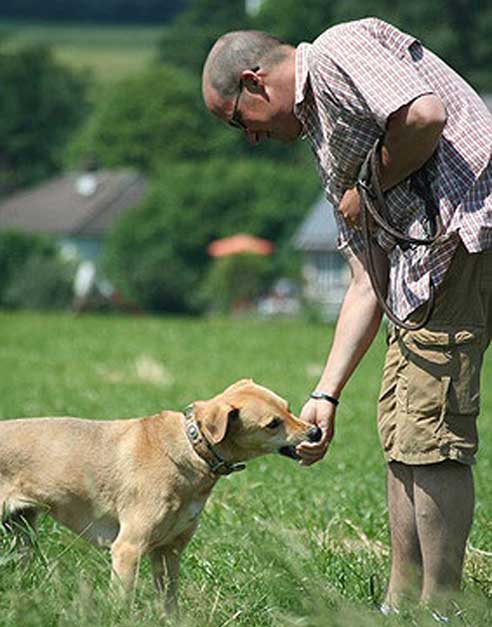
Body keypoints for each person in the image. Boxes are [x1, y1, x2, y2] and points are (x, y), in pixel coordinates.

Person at [201, 17, 492, 615]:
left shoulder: (337, 51)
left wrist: (372, 185)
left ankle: (443, 609)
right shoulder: (327, 143)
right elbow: (366, 279)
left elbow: (424, 116)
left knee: (431, 437)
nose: (249, 139)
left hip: (462, 238)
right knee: (401, 430)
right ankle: (401, 601)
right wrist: (325, 395)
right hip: (419, 276)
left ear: (255, 84)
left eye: (238, 122)